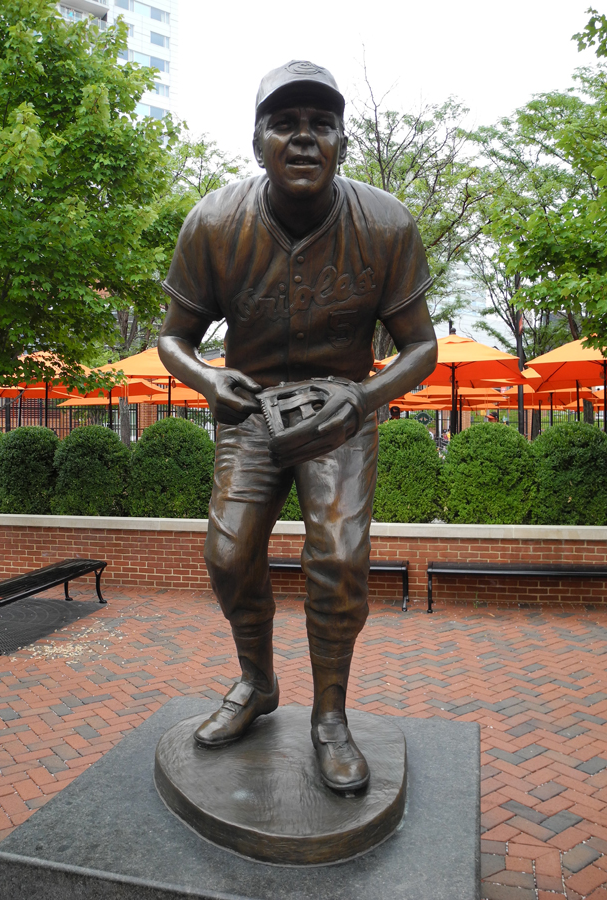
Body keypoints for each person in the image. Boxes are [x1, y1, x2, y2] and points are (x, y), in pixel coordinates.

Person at [158, 60, 437, 793]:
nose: (304, 138)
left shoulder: (385, 223)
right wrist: (208, 378)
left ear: (342, 141)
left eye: (321, 124)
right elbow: (173, 337)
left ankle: (330, 717)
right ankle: (257, 682)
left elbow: (421, 346)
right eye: (286, 123)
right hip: (249, 407)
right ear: (258, 142)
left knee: (339, 558)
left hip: (342, 408)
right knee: (226, 552)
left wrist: (364, 398)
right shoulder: (214, 221)